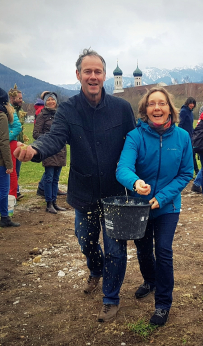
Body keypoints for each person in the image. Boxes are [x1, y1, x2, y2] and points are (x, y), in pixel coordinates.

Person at [14, 48, 136, 323]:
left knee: (116, 248)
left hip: (116, 192)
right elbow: (54, 139)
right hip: (83, 191)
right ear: (78, 75)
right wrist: (34, 150)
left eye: (98, 71)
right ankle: (95, 269)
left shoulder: (122, 108)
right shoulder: (68, 109)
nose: (93, 76)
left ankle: (110, 298)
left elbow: (134, 143)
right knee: (86, 240)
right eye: (87, 71)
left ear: (104, 75)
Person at [116, 87, 193, 326]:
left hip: (167, 206)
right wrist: (136, 182)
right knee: (143, 249)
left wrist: (163, 196)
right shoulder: (135, 136)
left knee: (164, 250)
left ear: (170, 108)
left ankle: (163, 304)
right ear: (145, 109)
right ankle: (149, 280)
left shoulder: (182, 137)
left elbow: (186, 173)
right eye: (152, 104)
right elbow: (123, 168)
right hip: (139, 206)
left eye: (162, 103)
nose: (157, 108)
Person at [33, 92, 67, 214]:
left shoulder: (60, 114)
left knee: (55, 179)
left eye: (53, 100)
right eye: (49, 100)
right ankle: (49, 203)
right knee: (49, 178)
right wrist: (49, 140)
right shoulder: (42, 116)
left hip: (60, 150)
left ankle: (55, 202)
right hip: (49, 150)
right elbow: (36, 134)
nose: (51, 102)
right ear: (45, 102)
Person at [0, 88, 20, 227]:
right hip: (1, 161)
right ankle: (5, 217)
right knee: (3, 189)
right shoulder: (2, 116)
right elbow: (3, 142)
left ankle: (5, 217)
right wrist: (9, 164)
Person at [8, 85, 27, 200]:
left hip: (17, 143)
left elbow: (18, 127)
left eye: (21, 98)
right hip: (12, 143)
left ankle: (16, 192)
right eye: (19, 98)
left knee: (15, 170)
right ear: (12, 98)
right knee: (12, 170)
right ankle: (14, 192)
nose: (21, 100)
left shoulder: (20, 111)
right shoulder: (9, 109)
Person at [178, 97, 199, 175]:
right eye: (191, 103)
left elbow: (190, 125)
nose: (192, 105)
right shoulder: (183, 111)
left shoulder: (191, 112)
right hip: (185, 137)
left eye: (193, 103)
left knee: (192, 154)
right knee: (190, 154)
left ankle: (196, 171)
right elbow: (180, 124)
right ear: (187, 103)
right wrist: (180, 136)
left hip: (191, 136)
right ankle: (196, 171)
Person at [7, 90, 22, 201]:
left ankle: (12, 195)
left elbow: (17, 127)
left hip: (9, 143)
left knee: (12, 170)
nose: (21, 100)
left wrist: (6, 138)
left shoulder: (9, 109)